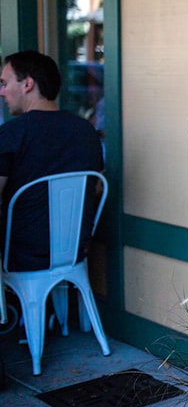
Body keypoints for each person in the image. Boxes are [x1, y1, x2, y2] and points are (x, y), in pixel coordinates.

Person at [0, 51, 104, 271]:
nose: (1, 92)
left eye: (4, 83)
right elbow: (95, 188)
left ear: (27, 84)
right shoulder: (86, 131)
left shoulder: (11, 135)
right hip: (75, 252)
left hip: (21, 256)